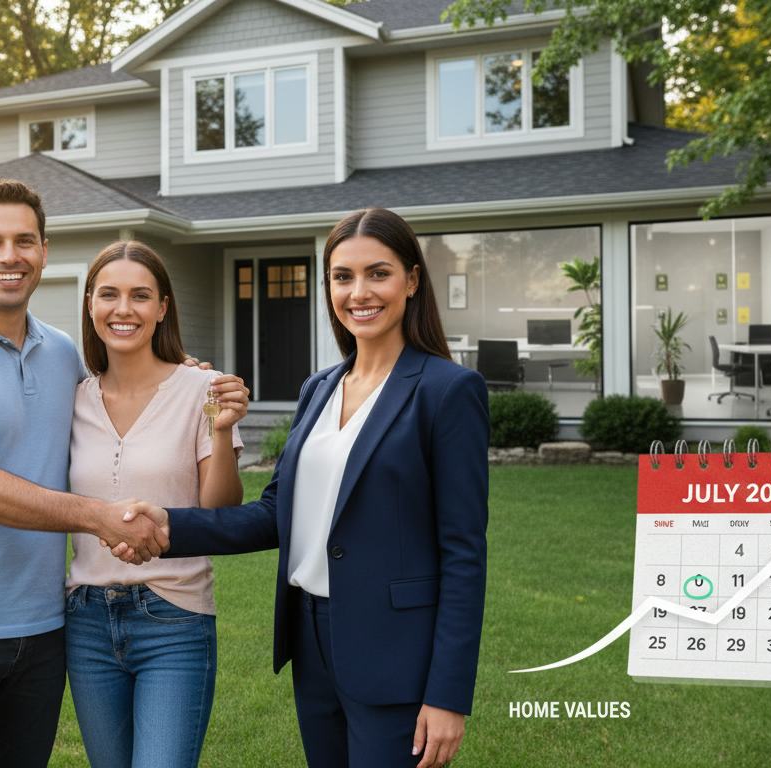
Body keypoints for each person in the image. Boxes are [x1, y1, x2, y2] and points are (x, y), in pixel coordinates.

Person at [116, 207, 490, 768]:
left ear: (412, 280)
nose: (359, 292)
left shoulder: (448, 390)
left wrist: (448, 695)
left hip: (395, 650)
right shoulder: (320, 387)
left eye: (378, 273)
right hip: (312, 641)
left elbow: (463, 553)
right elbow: (277, 512)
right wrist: (170, 526)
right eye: (342, 277)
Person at [0, 179, 174, 767]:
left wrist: (188, 380)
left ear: (44, 251)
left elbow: (119, 402)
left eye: (24, 241)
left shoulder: (63, 352)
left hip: (44, 629)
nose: (9, 256)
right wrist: (97, 517)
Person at [64, 241, 248, 768]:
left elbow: (219, 510)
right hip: (86, 621)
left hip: (173, 616)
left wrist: (221, 430)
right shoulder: (73, 399)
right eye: (109, 295)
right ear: (90, 305)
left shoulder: (203, 388)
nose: (123, 309)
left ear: (163, 307)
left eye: (140, 296)